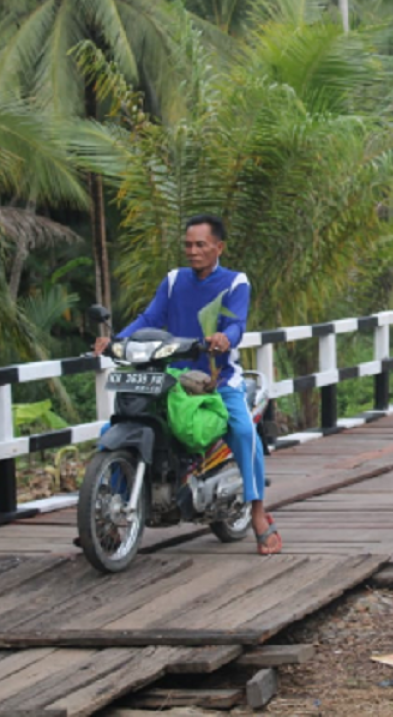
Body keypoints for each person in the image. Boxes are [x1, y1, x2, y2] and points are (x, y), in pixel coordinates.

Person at [95, 214, 280, 556]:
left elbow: (236, 323)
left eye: (200, 245)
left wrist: (226, 337)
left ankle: (258, 514)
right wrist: (116, 339)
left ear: (218, 247)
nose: (192, 251)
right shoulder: (173, 280)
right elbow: (150, 318)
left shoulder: (236, 282)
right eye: (188, 245)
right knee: (113, 426)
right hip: (172, 377)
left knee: (241, 431)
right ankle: (107, 521)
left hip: (216, 378)